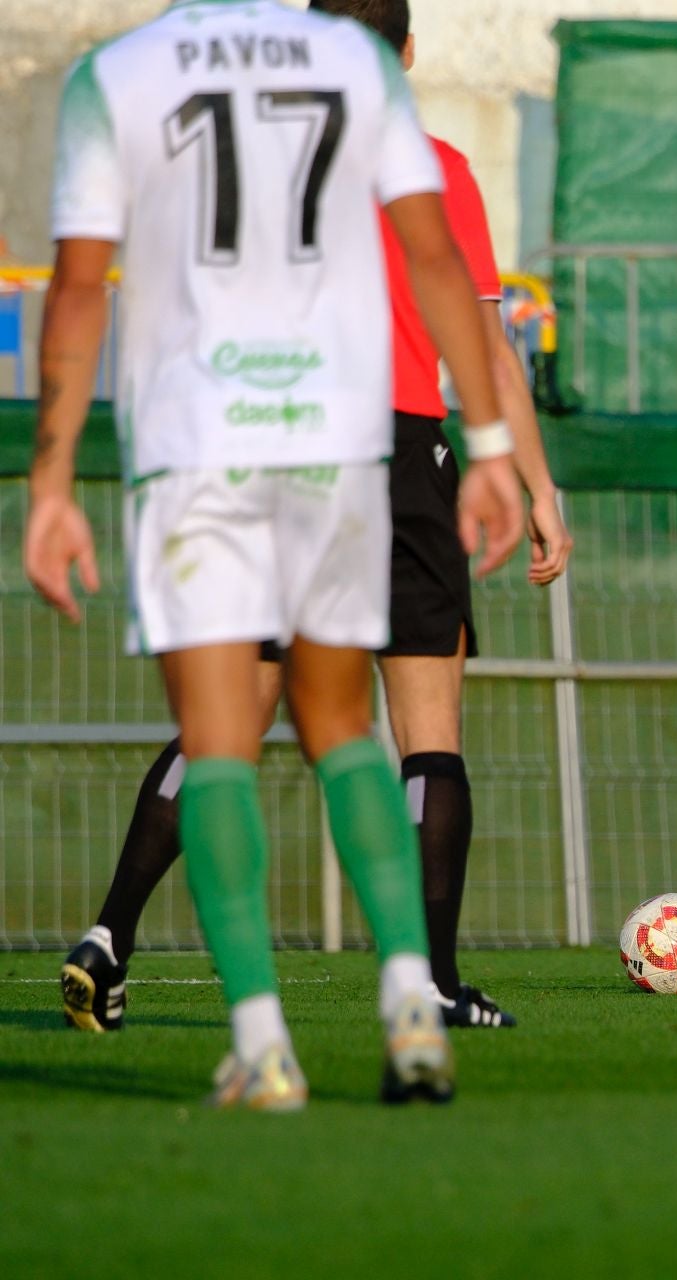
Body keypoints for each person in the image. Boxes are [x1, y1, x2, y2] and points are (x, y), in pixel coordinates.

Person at [27, 0, 524, 1109]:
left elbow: (73, 292)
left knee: (220, 742)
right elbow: (442, 264)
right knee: (347, 728)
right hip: (342, 435)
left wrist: (51, 481)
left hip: (203, 438)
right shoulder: (355, 76)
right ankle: (411, 999)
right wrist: (489, 448)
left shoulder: (123, 72)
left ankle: (260, 1043)